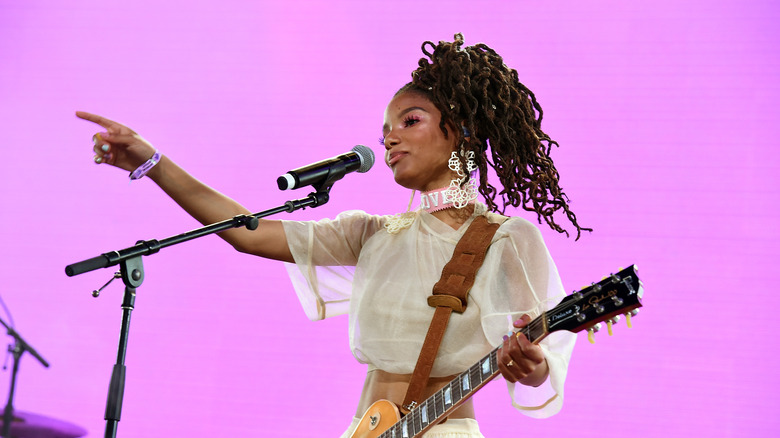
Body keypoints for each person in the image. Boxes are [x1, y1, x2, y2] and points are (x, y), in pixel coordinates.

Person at [78, 33, 590, 438]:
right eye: (384, 128)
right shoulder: (372, 234)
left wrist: (533, 366)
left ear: (457, 131)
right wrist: (153, 162)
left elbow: (543, 347)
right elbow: (246, 232)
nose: (389, 137)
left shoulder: (503, 239)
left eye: (409, 121)